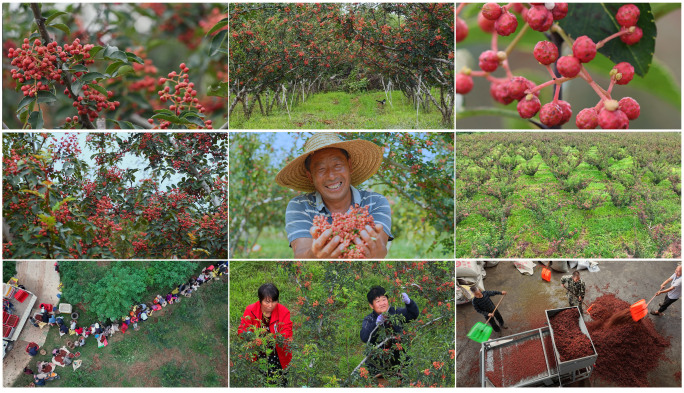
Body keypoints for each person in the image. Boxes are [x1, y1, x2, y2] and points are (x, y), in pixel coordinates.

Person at [276, 133, 393, 259]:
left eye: (337, 165)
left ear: (350, 166)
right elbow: (301, 253)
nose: (331, 176)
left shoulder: (375, 202)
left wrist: (377, 252)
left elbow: (378, 247)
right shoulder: (300, 206)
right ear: (310, 177)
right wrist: (314, 255)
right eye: (321, 169)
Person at [238, 283, 293, 386]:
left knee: (280, 380)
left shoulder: (283, 311)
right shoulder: (250, 310)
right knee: (260, 381)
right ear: (260, 300)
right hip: (257, 353)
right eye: (267, 302)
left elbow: (287, 331)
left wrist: (276, 338)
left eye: (274, 301)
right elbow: (242, 330)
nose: (270, 305)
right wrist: (252, 338)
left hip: (277, 353)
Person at [360, 286, 419, 380]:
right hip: (378, 364)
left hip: (400, 361)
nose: (382, 303)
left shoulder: (395, 312)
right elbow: (364, 337)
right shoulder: (370, 319)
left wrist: (409, 303)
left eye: (384, 299)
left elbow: (412, 315)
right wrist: (376, 325)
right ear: (371, 305)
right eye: (377, 301)